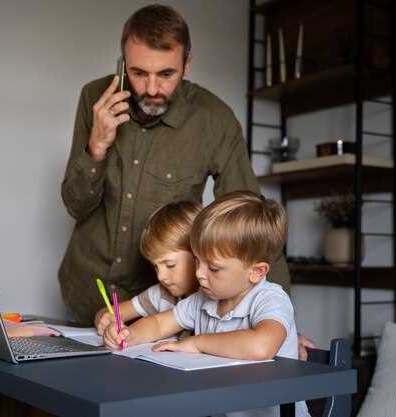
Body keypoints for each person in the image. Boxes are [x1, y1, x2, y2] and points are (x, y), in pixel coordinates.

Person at [59, 4, 290, 326]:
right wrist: (96, 147)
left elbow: (250, 223)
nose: (152, 89)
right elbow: (75, 205)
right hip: (85, 294)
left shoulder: (215, 119)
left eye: (166, 74)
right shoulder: (94, 98)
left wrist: (278, 320)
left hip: (164, 307)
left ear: (187, 65)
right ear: (123, 65)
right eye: (138, 73)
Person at [104, 191, 310, 417]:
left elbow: (261, 346)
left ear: (256, 271)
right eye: (197, 261)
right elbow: (158, 324)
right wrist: (128, 334)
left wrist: (197, 343)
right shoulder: (203, 299)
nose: (200, 274)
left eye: (213, 268)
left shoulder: (270, 298)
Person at [94, 199, 201, 336]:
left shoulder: (215, 297)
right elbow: (105, 313)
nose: (160, 276)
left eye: (170, 265)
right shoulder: (160, 295)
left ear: (199, 253)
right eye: (156, 267)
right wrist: (104, 321)